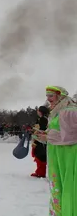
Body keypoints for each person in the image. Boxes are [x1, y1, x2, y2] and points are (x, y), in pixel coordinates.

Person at [36, 86, 77, 216]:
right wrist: (44, 135)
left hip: (67, 154)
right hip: (58, 152)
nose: (48, 99)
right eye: (47, 96)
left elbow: (71, 136)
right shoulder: (58, 111)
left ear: (60, 96)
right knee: (58, 184)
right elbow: (58, 131)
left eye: (51, 96)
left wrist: (48, 137)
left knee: (67, 185)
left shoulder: (69, 111)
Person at [30, 105, 49, 178]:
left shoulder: (43, 119)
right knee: (38, 155)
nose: (37, 111)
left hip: (41, 140)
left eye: (38, 110)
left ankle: (41, 172)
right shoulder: (41, 119)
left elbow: (42, 129)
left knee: (40, 156)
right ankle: (39, 171)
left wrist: (36, 132)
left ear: (41, 112)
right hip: (38, 139)